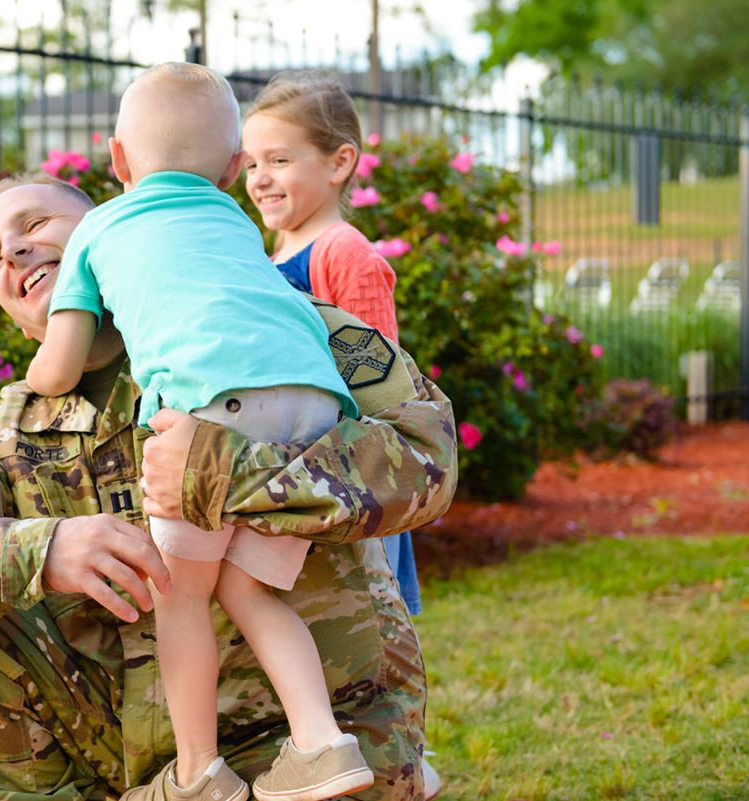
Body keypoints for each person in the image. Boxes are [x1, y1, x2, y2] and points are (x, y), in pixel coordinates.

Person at [0, 173, 458, 801]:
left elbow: (426, 459)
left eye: (32, 225)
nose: (14, 253)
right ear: (19, 321)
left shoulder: (275, 323)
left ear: (113, 229)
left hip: (300, 753)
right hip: (127, 770)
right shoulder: (3, 437)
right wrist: (38, 550)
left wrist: (230, 468)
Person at [25, 62, 370, 801]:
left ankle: (196, 773)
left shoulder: (98, 225)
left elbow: (58, 369)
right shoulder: (236, 221)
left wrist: (27, 379)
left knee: (183, 595)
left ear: (117, 160)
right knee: (248, 589)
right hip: (313, 407)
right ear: (233, 167)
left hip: (211, 410)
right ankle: (322, 741)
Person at [241, 72, 436, 798]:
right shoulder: (272, 252)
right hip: (301, 471)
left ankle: (403, 764)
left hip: (348, 476)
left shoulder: (342, 252)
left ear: (340, 161)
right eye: (253, 161)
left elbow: (376, 376)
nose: (261, 177)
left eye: (281, 159)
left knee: (370, 634)